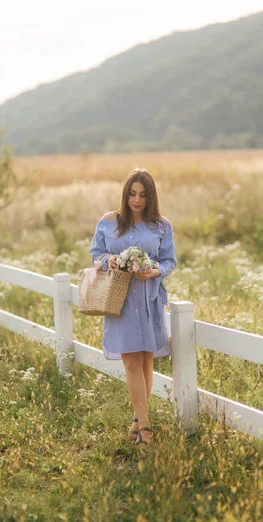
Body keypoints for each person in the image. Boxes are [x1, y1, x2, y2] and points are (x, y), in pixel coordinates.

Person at [90, 168, 177, 446]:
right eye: (132, 193)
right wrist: (109, 261)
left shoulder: (161, 226)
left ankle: (138, 420)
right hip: (121, 299)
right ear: (125, 193)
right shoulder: (108, 221)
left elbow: (169, 262)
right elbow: (96, 254)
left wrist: (155, 272)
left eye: (142, 195)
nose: (136, 200)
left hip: (150, 298)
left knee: (146, 359)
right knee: (131, 361)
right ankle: (146, 428)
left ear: (150, 197)